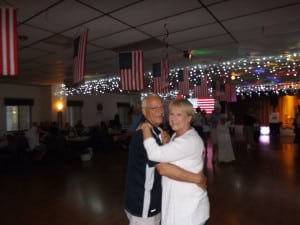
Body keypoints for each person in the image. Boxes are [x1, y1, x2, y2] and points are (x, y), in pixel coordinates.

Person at [124, 94, 207, 225]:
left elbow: (167, 156)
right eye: (153, 108)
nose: (160, 111)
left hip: (165, 202)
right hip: (144, 203)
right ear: (144, 112)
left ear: (189, 117)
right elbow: (163, 168)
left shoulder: (160, 133)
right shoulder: (144, 136)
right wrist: (196, 178)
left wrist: (166, 144)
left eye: (161, 106)